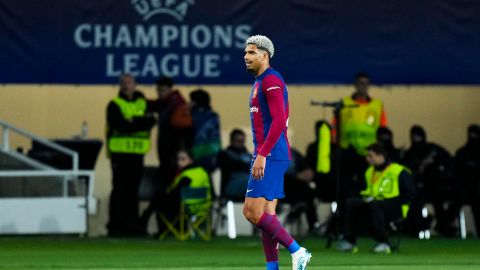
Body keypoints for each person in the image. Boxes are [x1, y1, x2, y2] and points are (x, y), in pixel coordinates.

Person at [242, 35, 311, 270]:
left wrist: (262, 154)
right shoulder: (261, 81)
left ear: (265, 55)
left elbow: (279, 121)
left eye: (252, 52)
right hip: (268, 152)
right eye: (245, 52)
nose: (246, 57)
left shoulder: (271, 80)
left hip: (270, 153)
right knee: (266, 216)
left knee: (251, 212)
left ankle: (297, 250)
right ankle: (273, 268)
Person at [336, 143, 416, 253]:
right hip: (374, 205)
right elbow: (368, 191)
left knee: (376, 204)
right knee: (351, 202)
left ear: (380, 156)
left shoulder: (400, 171)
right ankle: (350, 241)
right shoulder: (369, 172)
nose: (367, 159)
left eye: (370, 155)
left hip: (396, 207)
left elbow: (409, 195)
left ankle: (384, 243)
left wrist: (382, 200)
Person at [106, 74, 156, 236]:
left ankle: (131, 226)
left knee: (133, 191)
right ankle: (116, 226)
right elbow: (120, 126)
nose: (126, 85)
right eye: (123, 83)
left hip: (137, 154)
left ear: (135, 84)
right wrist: (139, 123)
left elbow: (151, 121)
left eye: (129, 82)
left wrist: (132, 121)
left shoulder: (144, 104)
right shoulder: (114, 105)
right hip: (119, 155)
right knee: (119, 190)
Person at [140, 77, 193, 232]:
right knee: (165, 190)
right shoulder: (170, 104)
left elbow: (183, 131)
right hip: (168, 156)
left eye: (162, 90)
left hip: (173, 157)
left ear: (169, 89)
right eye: (158, 90)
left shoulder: (176, 105)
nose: (159, 93)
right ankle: (164, 225)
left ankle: (157, 221)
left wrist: (179, 156)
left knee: (166, 190)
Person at [403, 125, 454, 236]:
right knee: (414, 204)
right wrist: (418, 169)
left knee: (439, 202)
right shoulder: (410, 153)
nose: (416, 139)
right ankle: (415, 229)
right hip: (417, 187)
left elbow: (448, 160)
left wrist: (442, 174)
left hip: (434, 185)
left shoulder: (433, 149)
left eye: (418, 136)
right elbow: (407, 171)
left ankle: (443, 227)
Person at [448, 124, 480, 235]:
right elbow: (456, 173)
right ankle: (449, 227)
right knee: (455, 202)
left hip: (476, 189)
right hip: (463, 189)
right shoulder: (462, 153)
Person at [283, 148, 319, 234]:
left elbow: (305, 166)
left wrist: (308, 172)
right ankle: (312, 224)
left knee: (307, 191)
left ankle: (311, 225)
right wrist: (296, 176)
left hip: (298, 184)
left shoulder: (293, 153)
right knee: (304, 191)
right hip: (282, 184)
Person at [189, 89, 221, 174]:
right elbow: (217, 137)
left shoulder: (192, 116)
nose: (189, 103)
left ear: (196, 102)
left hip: (195, 154)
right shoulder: (213, 116)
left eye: (191, 101)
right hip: (212, 153)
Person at [217, 129, 252, 201]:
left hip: (246, 187)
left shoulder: (248, 155)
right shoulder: (224, 154)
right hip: (232, 187)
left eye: (242, 141)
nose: (240, 144)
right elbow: (229, 167)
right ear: (232, 141)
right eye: (238, 141)